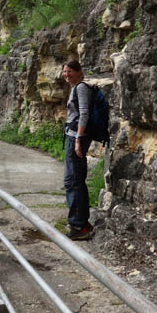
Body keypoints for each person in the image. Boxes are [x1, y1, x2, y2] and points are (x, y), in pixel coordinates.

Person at [62, 60, 94, 241]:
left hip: (76, 138)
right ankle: (83, 222)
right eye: (65, 72)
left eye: (70, 71)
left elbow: (84, 113)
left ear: (79, 72)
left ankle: (78, 225)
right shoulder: (75, 87)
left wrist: (78, 139)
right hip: (73, 136)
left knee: (73, 181)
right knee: (75, 179)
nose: (66, 75)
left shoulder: (81, 88)